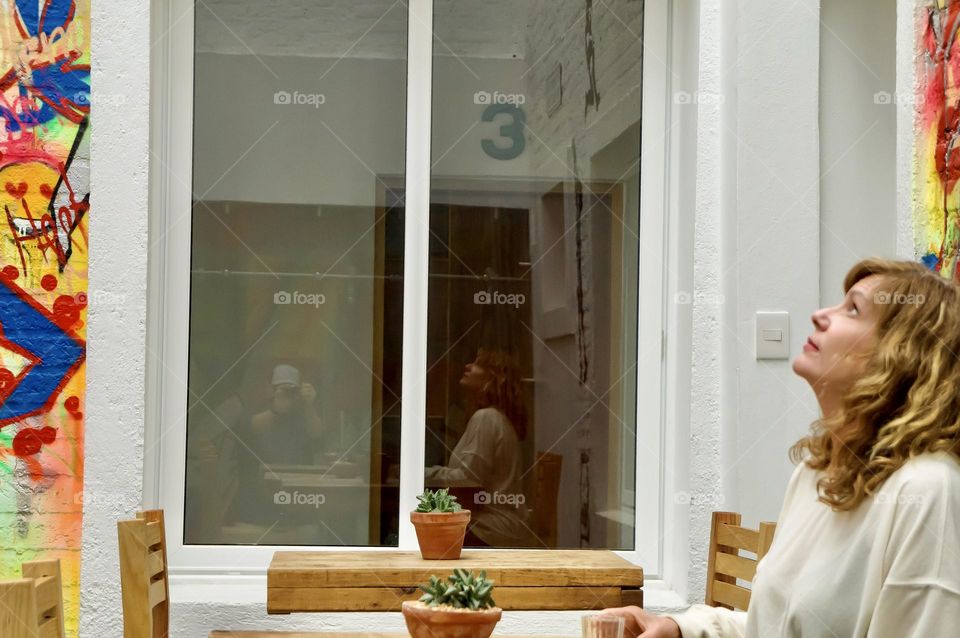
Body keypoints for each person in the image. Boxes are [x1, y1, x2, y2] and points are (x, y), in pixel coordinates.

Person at [604, 258, 960, 637]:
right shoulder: (818, 472)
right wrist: (679, 628)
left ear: (903, 355)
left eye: (852, 309)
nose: (821, 315)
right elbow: (776, 627)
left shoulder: (928, 489)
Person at [425, 347, 530, 547]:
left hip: (489, 529)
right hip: (495, 527)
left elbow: (467, 478)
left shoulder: (486, 418)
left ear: (493, 378)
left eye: (477, 364)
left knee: (416, 533)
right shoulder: (496, 417)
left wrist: (417, 475)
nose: (468, 366)